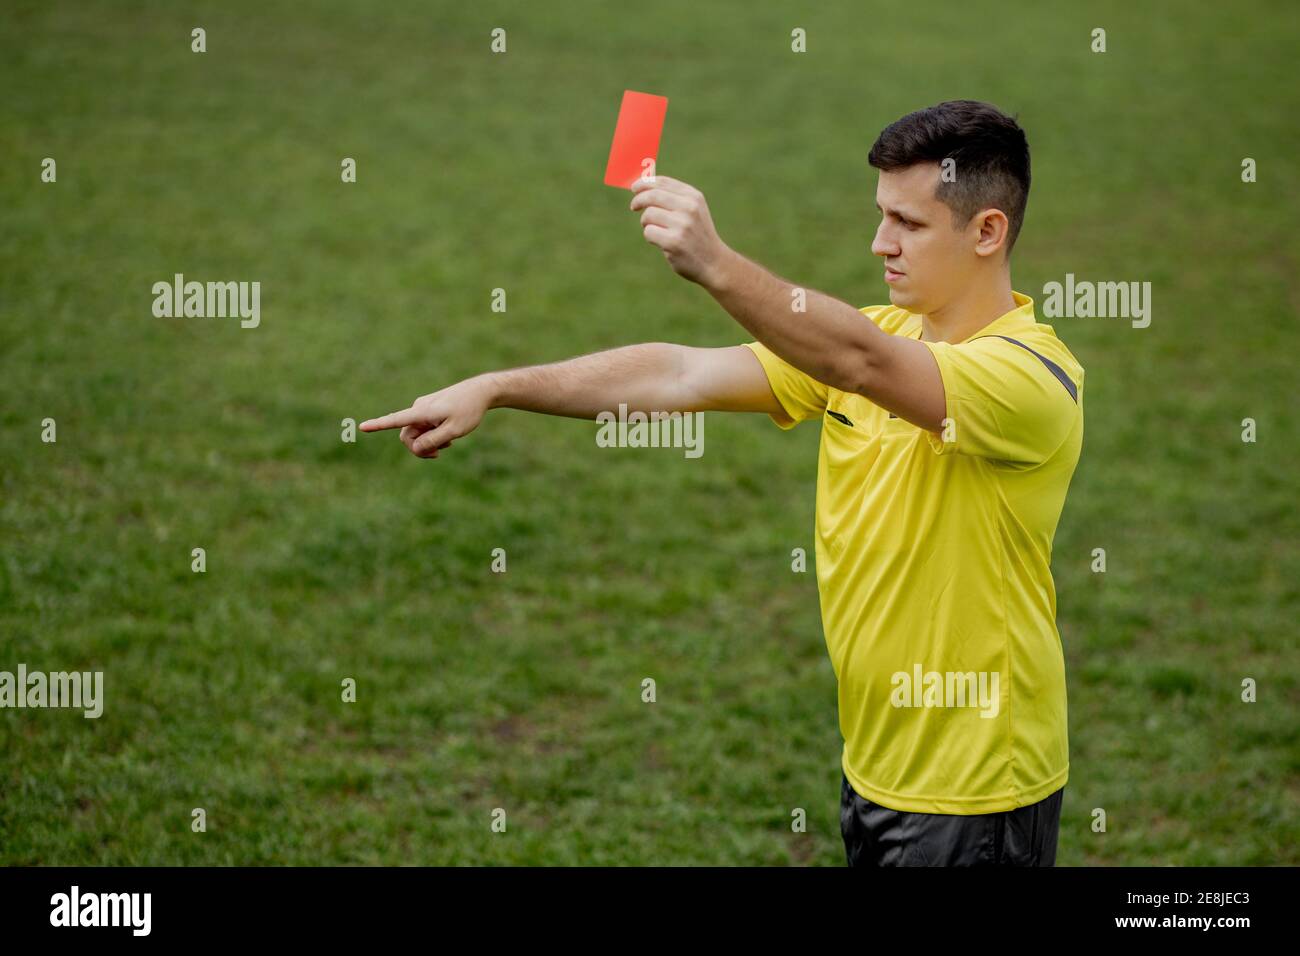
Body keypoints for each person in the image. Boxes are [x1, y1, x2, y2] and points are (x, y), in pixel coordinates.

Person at [361, 100, 1083, 867]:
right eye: (881, 216)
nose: (880, 244)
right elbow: (682, 373)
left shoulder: (1029, 378)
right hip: (880, 763)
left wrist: (714, 261)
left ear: (987, 231)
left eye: (908, 223)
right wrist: (499, 386)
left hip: (977, 788)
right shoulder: (887, 333)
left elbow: (859, 363)